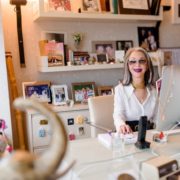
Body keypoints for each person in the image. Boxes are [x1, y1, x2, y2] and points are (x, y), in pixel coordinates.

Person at [113, 47, 158, 134]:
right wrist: (121, 125)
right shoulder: (120, 90)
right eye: (133, 61)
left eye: (142, 61)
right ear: (128, 65)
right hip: (128, 136)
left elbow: (157, 118)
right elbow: (118, 115)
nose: (137, 65)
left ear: (147, 65)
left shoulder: (153, 91)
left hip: (149, 136)